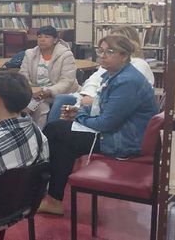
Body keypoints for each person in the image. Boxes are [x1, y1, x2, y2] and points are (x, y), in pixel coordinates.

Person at [38, 35, 158, 216]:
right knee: (61, 138)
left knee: (56, 130)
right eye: (100, 51)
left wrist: (79, 116)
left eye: (109, 52)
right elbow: (102, 109)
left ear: (124, 56)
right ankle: (52, 197)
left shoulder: (128, 81)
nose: (102, 56)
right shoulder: (115, 75)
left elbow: (105, 123)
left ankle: (43, 189)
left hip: (124, 140)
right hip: (118, 132)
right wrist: (81, 114)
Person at [46, 26, 155, 124]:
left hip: (117, 129)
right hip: (96, 105)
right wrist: (87, 96)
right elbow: (93, 80)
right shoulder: (112, 66)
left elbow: (110, 117)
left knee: (59, 129)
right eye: (102, 50)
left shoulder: (136, 69)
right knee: (61, 102)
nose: (103, 55)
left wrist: (81, 115)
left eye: (111, 49)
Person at [19, 25, 79, 128]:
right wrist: (30, 91)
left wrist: (48, 92)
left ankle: (42, 136)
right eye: (39, 37)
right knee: (17, 104)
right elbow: (23, 76)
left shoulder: (66, 55)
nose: (42, 40)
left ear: (55, 40)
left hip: (58, 93)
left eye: (47, 37)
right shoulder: (29, 54)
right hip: (35, 93)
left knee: (41, 108)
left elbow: (67, 81)